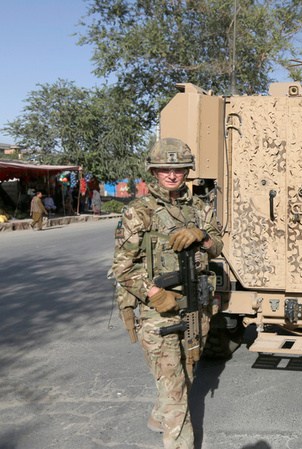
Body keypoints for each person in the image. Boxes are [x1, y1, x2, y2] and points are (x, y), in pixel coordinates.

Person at [111, 138, 223, 449]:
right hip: (157, 311)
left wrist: (202, 236)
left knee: (186, 373)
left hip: (195, 307)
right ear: (154, 171)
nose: (172, 175)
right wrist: (153, 293)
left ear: (188, 172)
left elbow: (218, 246)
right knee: (174, 387)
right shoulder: (139, 212)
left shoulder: (200, 208)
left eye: (179, 169)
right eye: (165, 169)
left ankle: (161, 412)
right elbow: (122, 267)